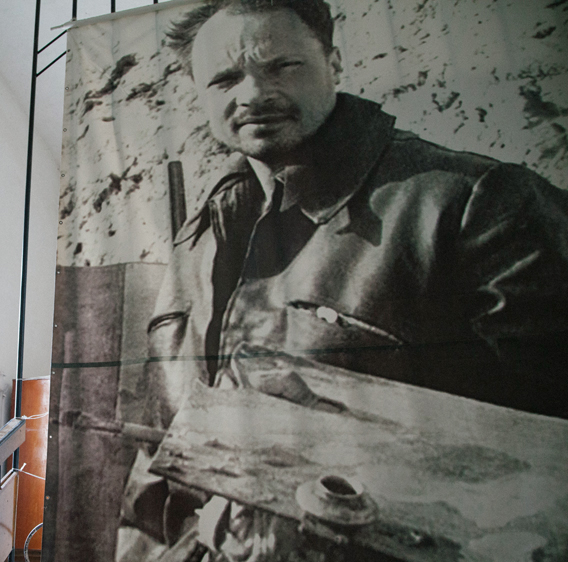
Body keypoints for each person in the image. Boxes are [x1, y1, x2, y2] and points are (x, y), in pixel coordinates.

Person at [117, 0, 568, 560]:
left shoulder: (478, 204)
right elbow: (157, 450)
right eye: (226, 77)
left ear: (334, 61)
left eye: (282, 66)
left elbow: (547, 462)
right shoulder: (198, 237)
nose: (253, 94)